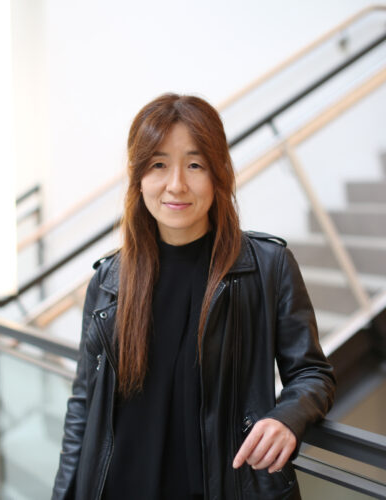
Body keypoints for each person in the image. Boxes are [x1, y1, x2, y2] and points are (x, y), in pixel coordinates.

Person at [52, 93, 335, 500]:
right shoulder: (110, 280)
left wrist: (287, 418)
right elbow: (82, 405)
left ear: (219, 174)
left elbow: (313, 374)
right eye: (159, 165)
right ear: (139, 178)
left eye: (195, 165)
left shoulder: (266, 267)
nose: (176, 185)